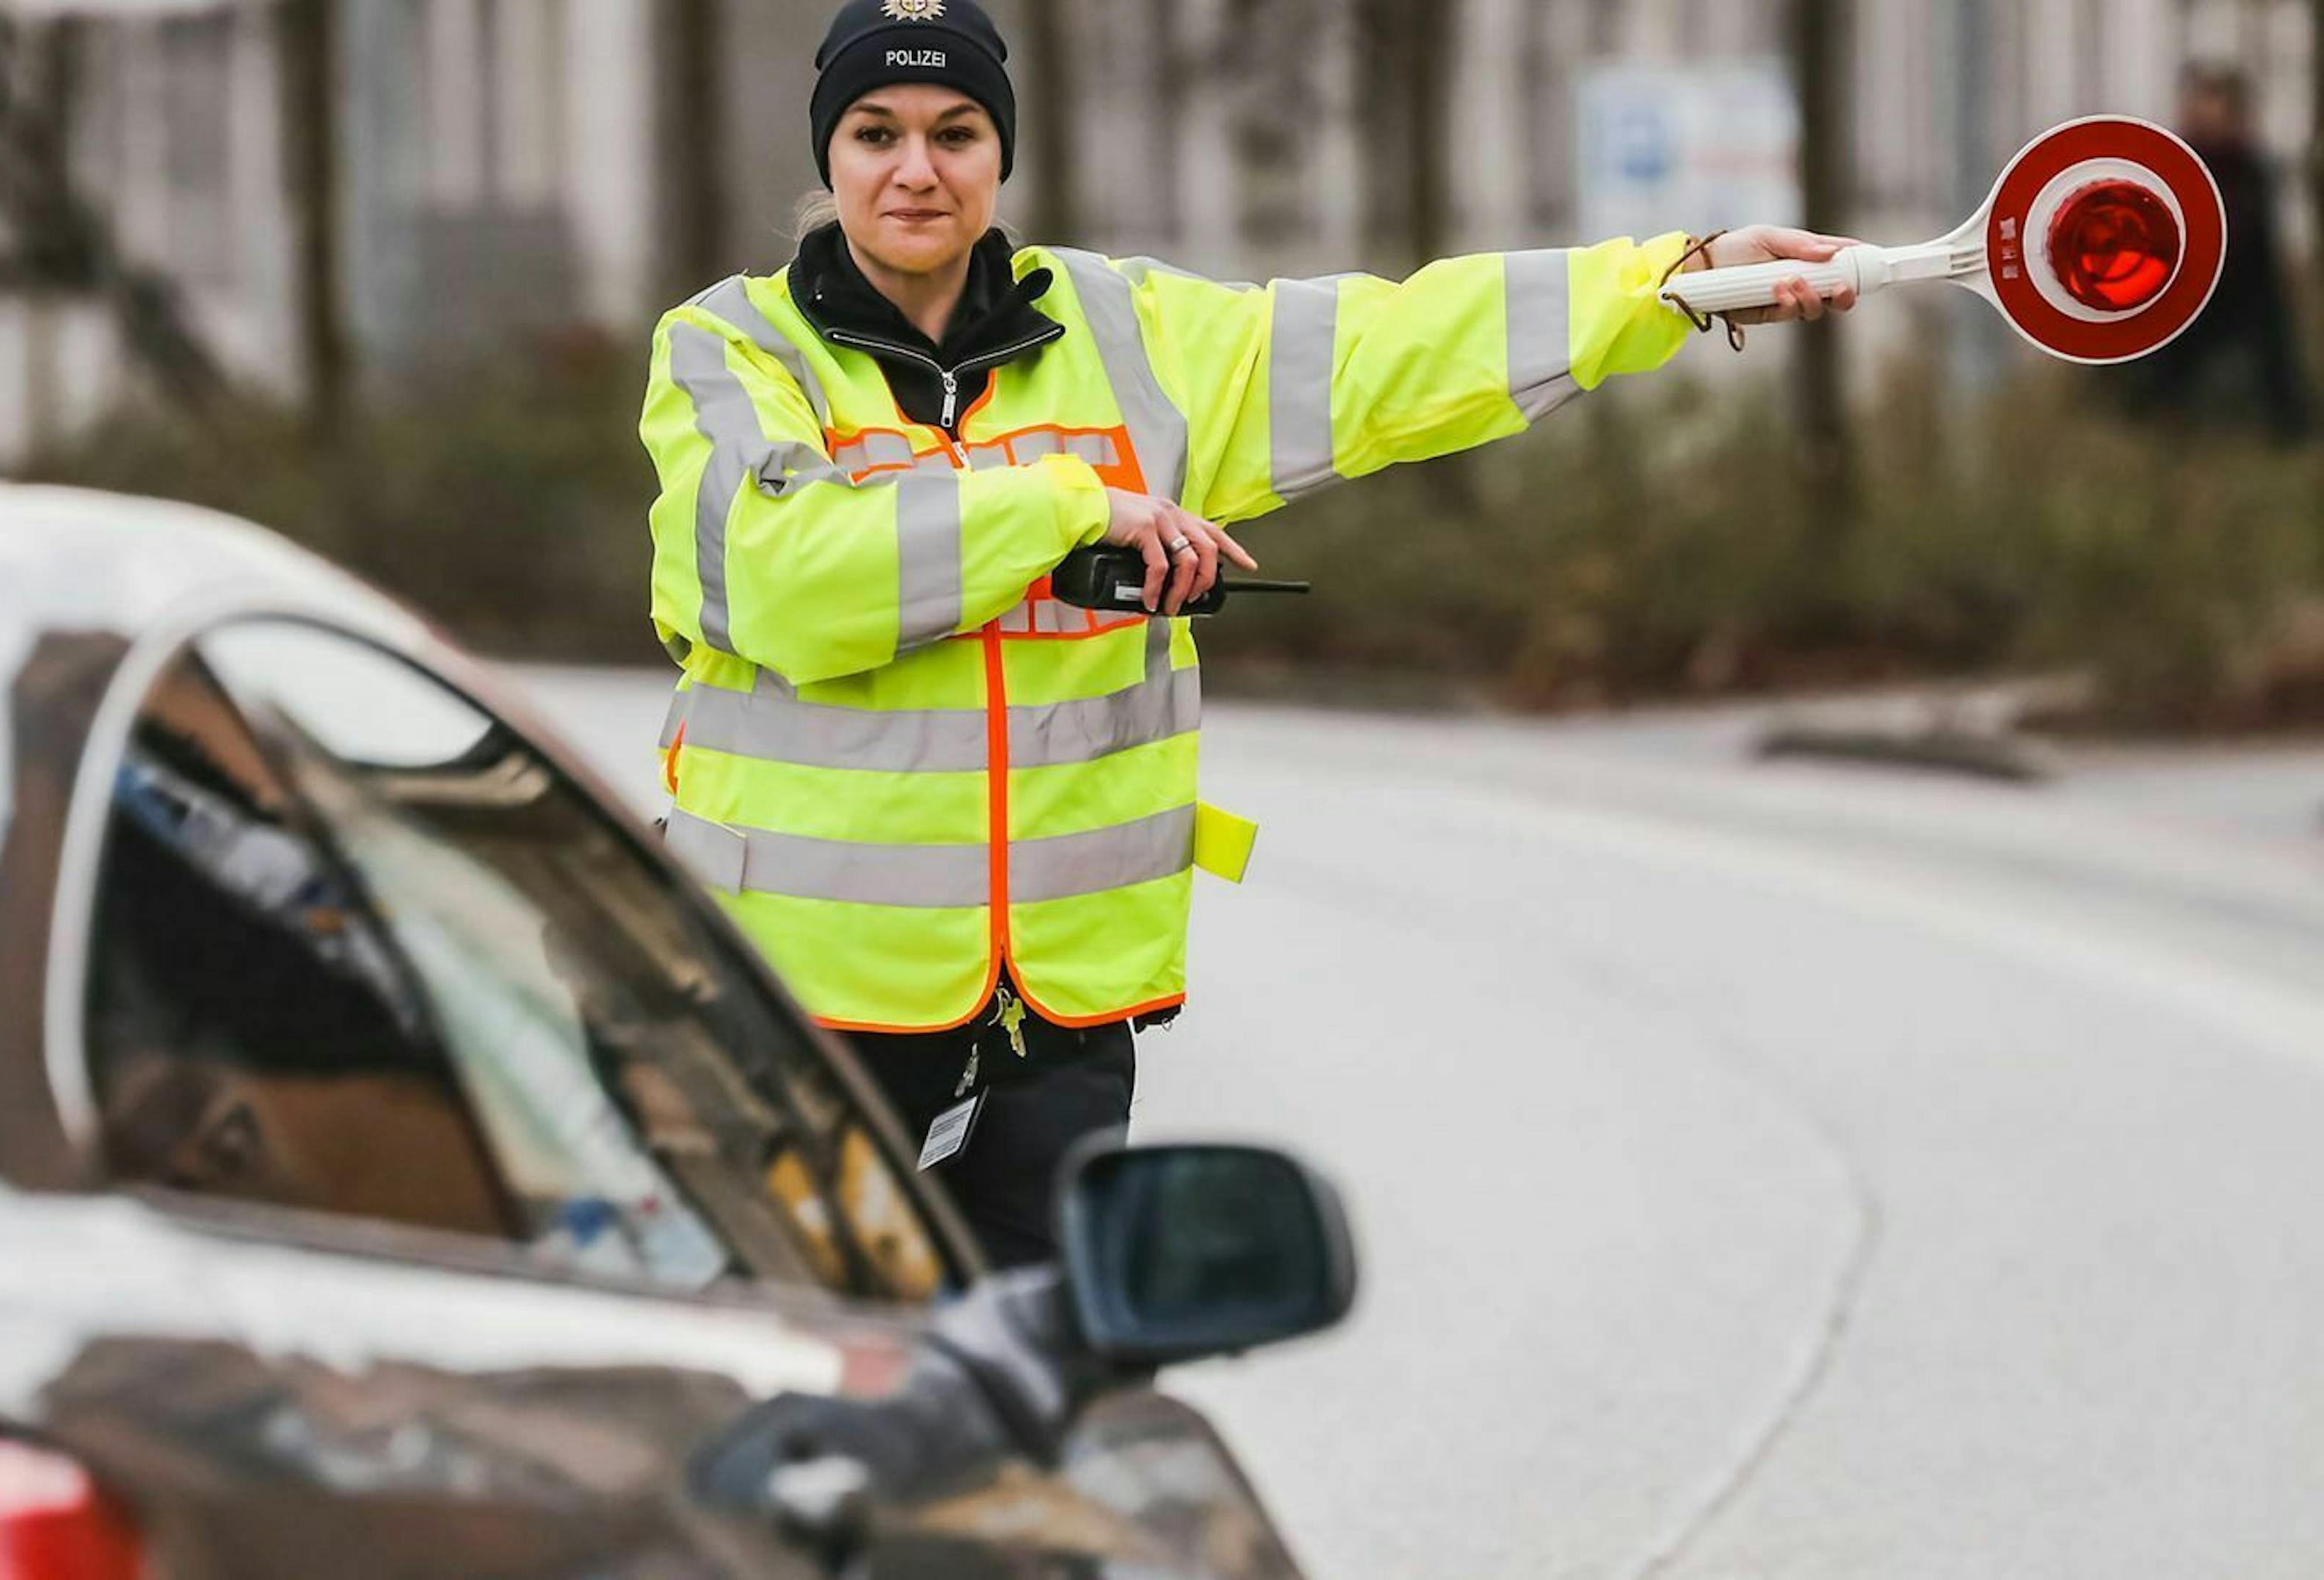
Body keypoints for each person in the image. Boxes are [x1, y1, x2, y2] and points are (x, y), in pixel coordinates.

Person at [636, 0, 1856, 1268]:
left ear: (1002, 152)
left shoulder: (1128, 337)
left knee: (1056, 1391)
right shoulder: (731, 348)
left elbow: (1396, 345)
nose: (916, 169)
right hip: (800, 1008)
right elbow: (788, 576)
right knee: (809, 1383)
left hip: (1053, 1011)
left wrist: (1662, 280)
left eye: (956, 132)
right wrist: (1069, 503)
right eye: (875, 132)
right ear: (828, 155)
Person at [2132, 64, 2313, 444]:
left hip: (2245, 290)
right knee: (2158, 367)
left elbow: (2256, 239)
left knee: (2277, 365)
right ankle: (2157, 426)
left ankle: (2290, 432)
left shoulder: (2251, 168)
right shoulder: (2178, 163)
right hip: (2186, 287)